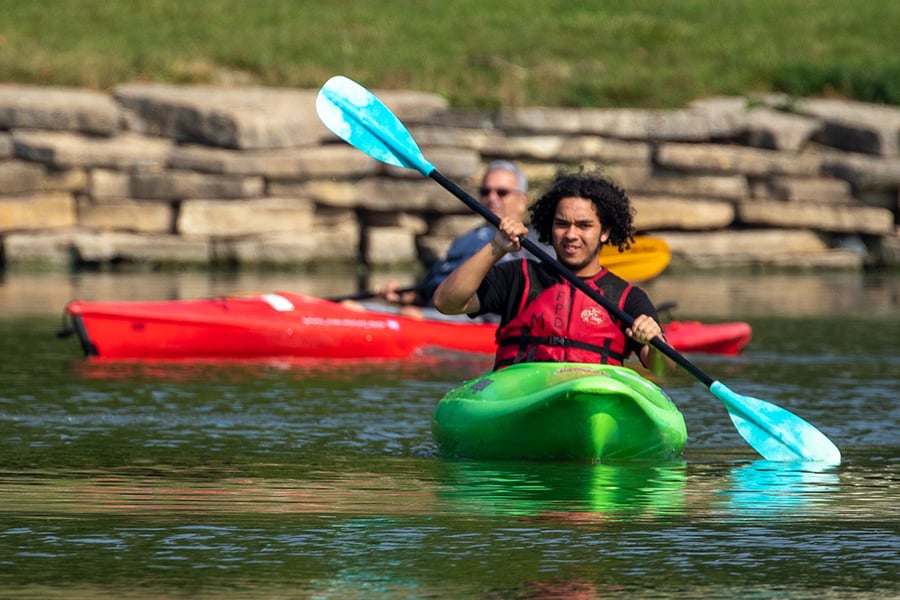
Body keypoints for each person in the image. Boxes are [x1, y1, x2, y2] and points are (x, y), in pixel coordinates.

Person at [432, 168, 673, 374]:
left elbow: (664, 369)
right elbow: (446, 303)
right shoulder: (517, 276)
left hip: (592, 402)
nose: (570, 234)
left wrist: (654, 344)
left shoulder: (628, 298)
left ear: (605, 231)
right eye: (561, 224)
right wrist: (496, 247)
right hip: (520, 400)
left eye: (584, 225)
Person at [360, 160, 550, 319]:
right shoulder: (465, 240)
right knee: (354, 307)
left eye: (501, 192)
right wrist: (406, 296)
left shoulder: (535, 243)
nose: (492, 198)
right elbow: (432, 288)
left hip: (479, 318)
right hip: (435, 311)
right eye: (485, 192)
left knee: (362, 310)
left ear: (522, 200)